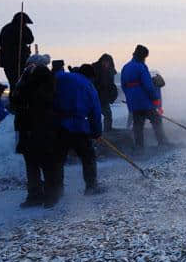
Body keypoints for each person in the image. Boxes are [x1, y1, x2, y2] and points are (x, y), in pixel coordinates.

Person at [11, 54, 61, 207]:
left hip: (35, 126)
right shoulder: (31, 77)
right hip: (35, 126)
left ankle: (43, 195)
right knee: (39, 162)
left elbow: (20, 101)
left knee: (38, 162)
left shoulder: (35, 77)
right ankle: (43, 195)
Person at [54, 63, 104, 195]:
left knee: (58, 159)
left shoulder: (61, 77)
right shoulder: (89, 86)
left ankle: (56, 191)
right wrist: (96, 132)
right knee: (88, 157)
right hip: (78, 127)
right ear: (90, 76)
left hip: (59, 125)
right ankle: (91, 187)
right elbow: (95, 112)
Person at [121, 45, 167, 149]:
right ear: (143, 56)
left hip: (133, 102)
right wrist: (155, 99)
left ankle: (139, 147)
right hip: (144, 101)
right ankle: (163, 142)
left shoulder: (126, 67)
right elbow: (148, 85)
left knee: (138, 124)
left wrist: (130, 97)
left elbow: (124, 86)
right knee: (156, 120)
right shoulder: (141, 67)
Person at [0, 12, 34, 95]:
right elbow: (30, 39)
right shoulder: (21, 29)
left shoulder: (6, 28)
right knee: (19, 83)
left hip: (7, 61)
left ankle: (14, 100)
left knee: (13, 83)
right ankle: (17, 102)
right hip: (18, 60)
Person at [92, 54, 118, 132]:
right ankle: (95, 131)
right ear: (102, 61)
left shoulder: (109, 71)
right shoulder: (95, 69)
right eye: (105, 62)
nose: (106, 64)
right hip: (96, 97)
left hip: (104, 98)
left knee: (108, 114)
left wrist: (112, 95)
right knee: (95, 115)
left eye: (108, 63)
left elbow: (111, 85)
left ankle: (108, 130)